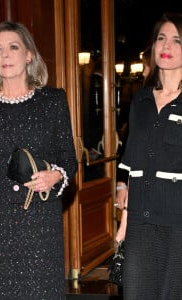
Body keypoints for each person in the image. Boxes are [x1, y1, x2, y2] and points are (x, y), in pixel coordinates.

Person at [0, 21, 77, 299]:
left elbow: (69, 160)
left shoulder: (52, 100)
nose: (5, 55)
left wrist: (55, 176)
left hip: (41, 219)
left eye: (13, 47)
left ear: (29, 55)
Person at [117, 12, 182, 299]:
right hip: (140, 223)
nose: (166, 46)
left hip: (177, 224)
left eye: (177, 40)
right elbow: (132, 159)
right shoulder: (141, 100)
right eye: (161, 39)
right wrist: (123, 220)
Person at [115, 45, 152, 242]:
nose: (143, 71)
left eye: (146, 66)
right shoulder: (141, 100)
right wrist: (121, 185)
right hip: (139, 189)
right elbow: (130, 149)